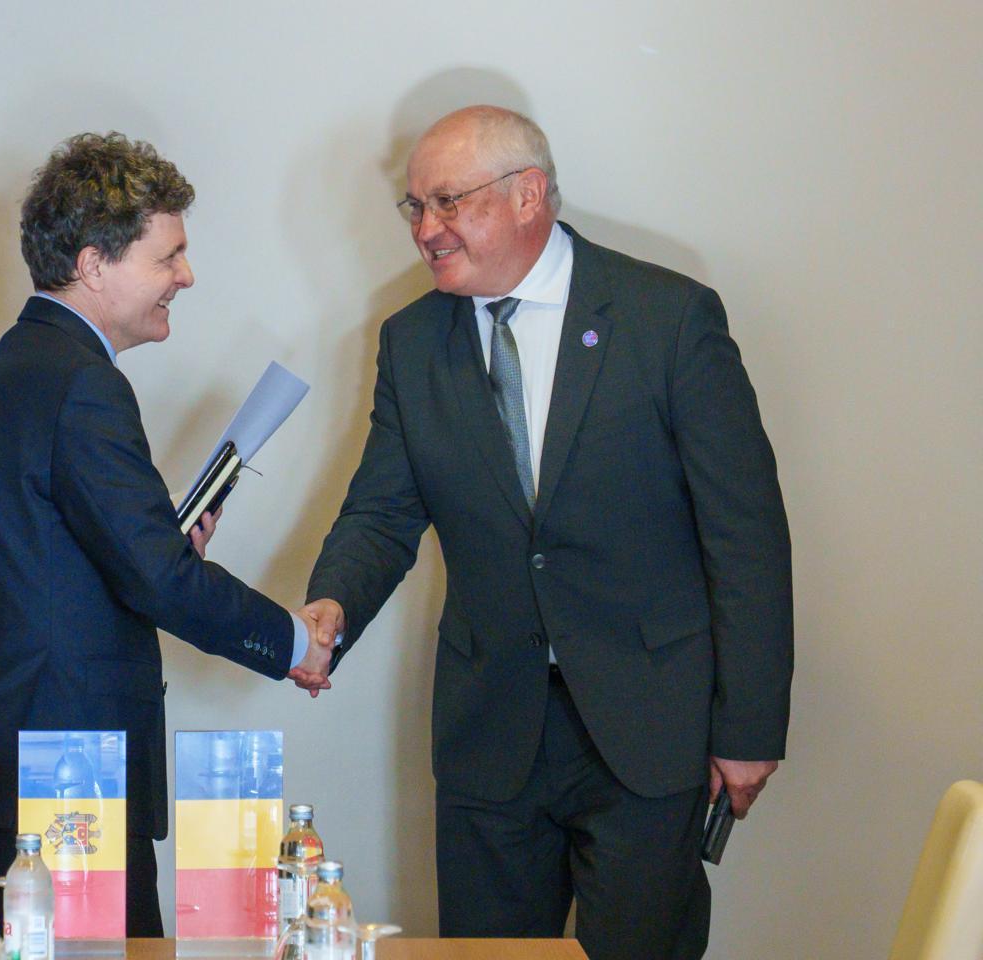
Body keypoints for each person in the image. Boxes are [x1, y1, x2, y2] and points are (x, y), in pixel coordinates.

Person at [292, 106, 792, 959]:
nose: (426, 229)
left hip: (647, 724)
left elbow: (744, 536)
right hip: (492, 731)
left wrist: (748, 729)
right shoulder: (413, 342)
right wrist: (331, 607)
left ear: (528, 195)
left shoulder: (667, 317)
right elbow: (382, 510)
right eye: (415, 207)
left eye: (448, 202)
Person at [0, 132, 331, 935]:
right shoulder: (84, 385)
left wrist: (143, 545)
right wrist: (294, 641)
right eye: (167, 256)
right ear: (92, 265)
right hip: (67, 779)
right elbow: (159, 582)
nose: (186, 276)